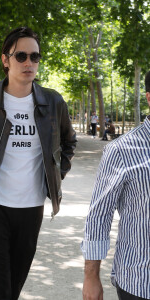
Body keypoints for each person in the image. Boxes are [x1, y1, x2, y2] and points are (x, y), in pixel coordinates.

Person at [0, 27, 77, 300]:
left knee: (13, 288)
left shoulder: (52, 102)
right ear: (5, 60)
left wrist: (54, 176)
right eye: (21, 56)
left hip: (31, 210)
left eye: (34, 56)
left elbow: (68, 143)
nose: (29, 63)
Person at [81, 71, 150, 300]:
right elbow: (99, 215)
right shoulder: (121, 151)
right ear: (149, 98)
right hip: (140, 281)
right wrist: (91, 277)